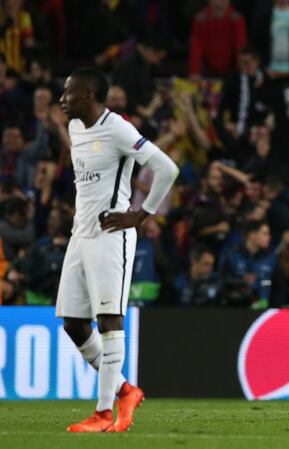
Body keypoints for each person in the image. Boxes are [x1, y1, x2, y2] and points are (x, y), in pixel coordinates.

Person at [55, 67, 179, 432]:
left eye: (69, 93)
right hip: (81, 235)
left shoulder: (119, 129)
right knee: (74, 323)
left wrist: (140, 215)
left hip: (112, 236)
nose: (63, 99)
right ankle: (126, 390)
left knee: (109, 320)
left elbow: (166, 168)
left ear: (89, 97)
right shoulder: (76, 128)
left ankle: (104, 413)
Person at [188, 0, 248, 78]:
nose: (220, 2)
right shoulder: (200, 19)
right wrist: (194, 72)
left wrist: (242, 72)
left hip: (233, 70)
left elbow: (241, 47)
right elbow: (196, 48)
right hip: (206, 70)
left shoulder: (237, 19)